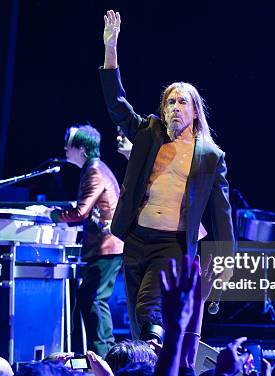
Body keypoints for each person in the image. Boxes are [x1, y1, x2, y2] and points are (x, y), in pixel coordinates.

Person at [99, 10, 235, 341]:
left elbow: (222, 215)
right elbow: (118, 106)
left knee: (149, 307)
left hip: (172, 244)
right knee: (136, 317)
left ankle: (155, 346)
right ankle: (149, 367)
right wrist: (111, 48)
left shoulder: (209, 156)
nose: (175, 107)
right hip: (136, 238)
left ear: (195, 110)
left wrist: (226, 261)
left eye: (182, 102)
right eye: (170, 101)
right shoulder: (148, 132)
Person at [41, 125, 124, 357]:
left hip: (106, 247)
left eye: (70, 144)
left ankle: (103, 359)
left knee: (94, 301)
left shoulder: (94, 171)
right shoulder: (95, 168)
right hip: (105, 246)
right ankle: (97, 357)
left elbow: (81, 212)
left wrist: (54, 215)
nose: (66, 149)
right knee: (88, 300)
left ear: (82, 149)